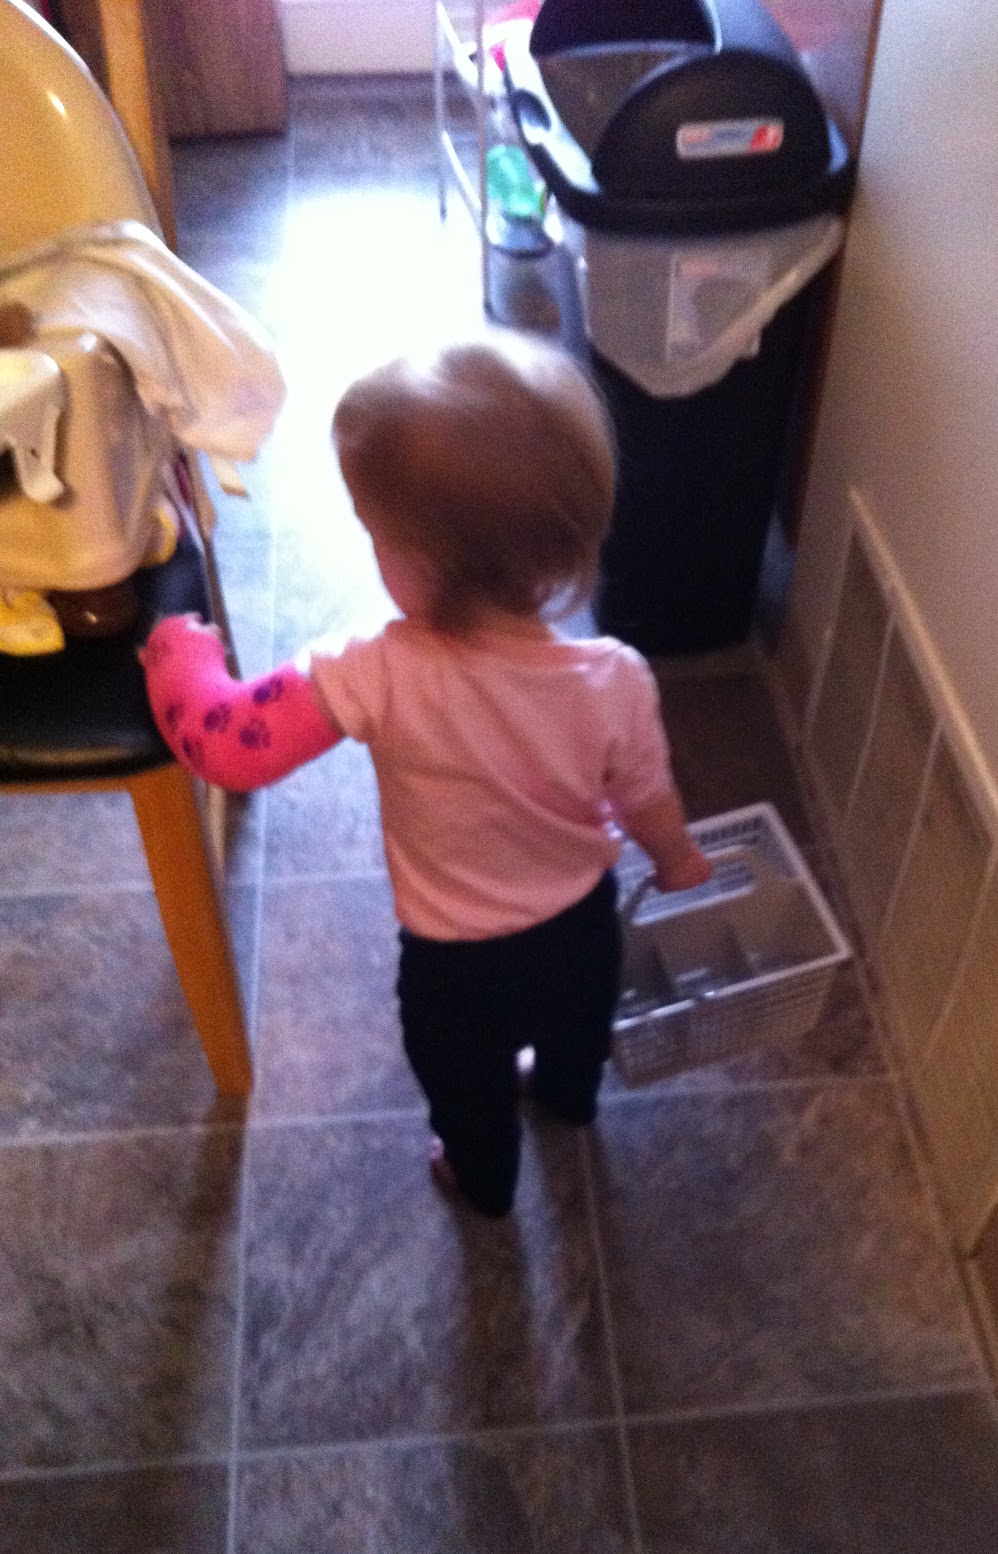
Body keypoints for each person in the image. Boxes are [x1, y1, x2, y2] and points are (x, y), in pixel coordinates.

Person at [143, 332, 710, 1218]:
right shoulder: (615, 679)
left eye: (376, 535)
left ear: (422, 565)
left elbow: (228, 746)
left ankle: (482, 1180)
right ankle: (569, 1100)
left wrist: (179, 650)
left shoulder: (373, 670)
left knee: (465, 1085)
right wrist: (675, 860)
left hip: (456, 964)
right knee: (577, 1030)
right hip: (578, 926)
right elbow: (645, 798)